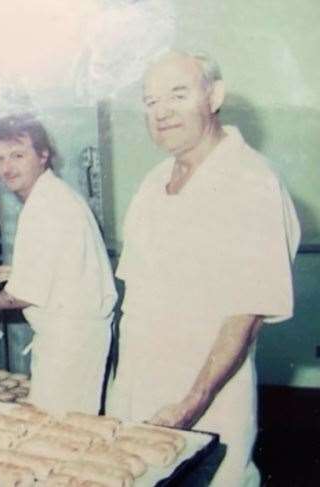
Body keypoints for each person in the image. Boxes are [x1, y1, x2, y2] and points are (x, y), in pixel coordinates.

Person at [106, 50, 300, 486]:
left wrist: (189, 405)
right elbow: (135, 303)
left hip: (206, 406)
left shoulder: (251, 182)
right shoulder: (152, 184)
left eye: (178, 94)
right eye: (151, 101)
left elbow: (246, 316)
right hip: (136, 397)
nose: (162, 112)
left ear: (214, 96)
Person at [0, 113, 117, 416]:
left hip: (69, 343)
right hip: (80, 336)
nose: (8, 167)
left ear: (43, 155)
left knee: (60, 431)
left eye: (18, 155)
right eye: (0, 159)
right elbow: (60, 262)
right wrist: (16, 271)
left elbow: (22, 295)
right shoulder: (54, 196)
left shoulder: (43, 206)